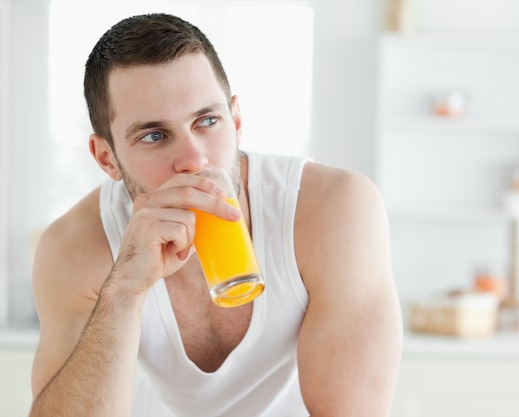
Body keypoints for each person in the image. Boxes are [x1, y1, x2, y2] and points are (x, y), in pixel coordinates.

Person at [29, 13, 402, 417]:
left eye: (207, 121)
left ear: (236, 121)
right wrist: (123, 291)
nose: (194, 159)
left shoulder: (334, 208)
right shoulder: (75, 247)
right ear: (107, 158)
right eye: (154, 136)